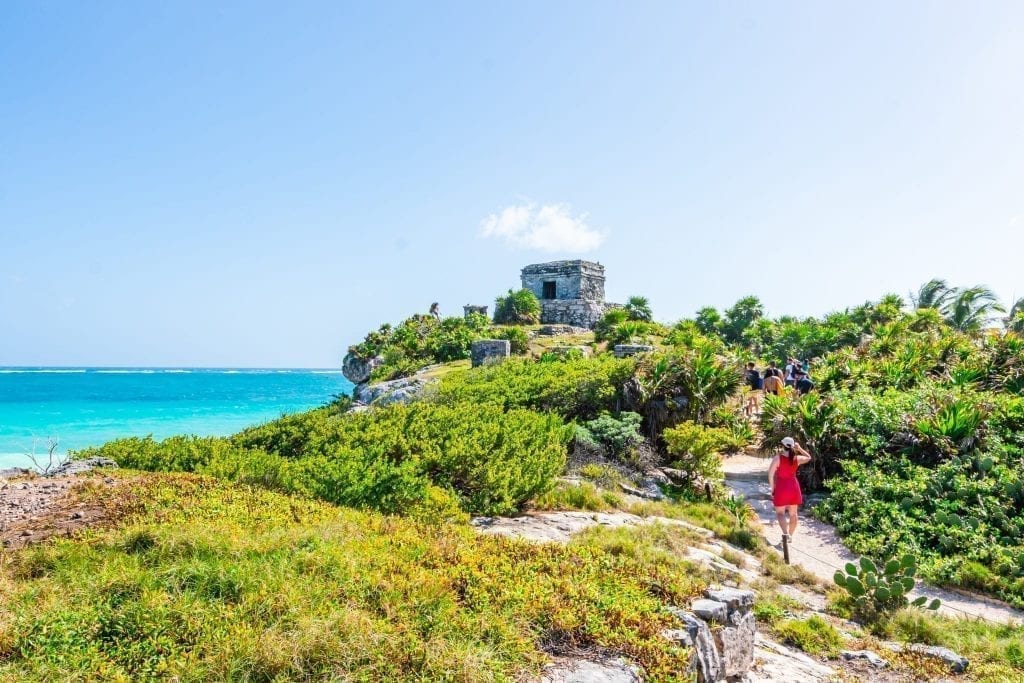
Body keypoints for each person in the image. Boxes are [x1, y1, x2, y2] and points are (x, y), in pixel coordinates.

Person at [767, 437, 813, 541]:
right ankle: (791, 536)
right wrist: (800, 448)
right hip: (793, 487)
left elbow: (770, 475)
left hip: (782, 487)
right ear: (792, 447)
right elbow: (809, 457)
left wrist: (772, 488)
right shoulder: (796, 458)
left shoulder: (778, 458)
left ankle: (785, 534)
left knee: (780, 513)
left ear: (782, 446)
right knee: (793, 514)